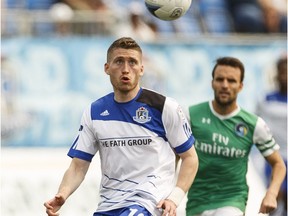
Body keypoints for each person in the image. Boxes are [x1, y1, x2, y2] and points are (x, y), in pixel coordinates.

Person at [44, 37, 199, 216]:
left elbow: (190, 157)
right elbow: (78, 165)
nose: (126, 69)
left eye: (132, 62)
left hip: (150, 203)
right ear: (107, 68)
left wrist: (174, 198)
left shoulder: (164, 107)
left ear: (141, 69)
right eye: (119, 62)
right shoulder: (94, 112)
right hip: (108, 205)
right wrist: (62, 194)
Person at [185, 56, 286, 216]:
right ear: (212, 83)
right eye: (220, 79)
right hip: (197, 201)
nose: (225, 85)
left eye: (231, 80)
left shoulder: (252, 124)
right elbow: (175, 157)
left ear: (240, 86)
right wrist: (173, 193)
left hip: (232, 200)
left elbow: (279, 164)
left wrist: (271, 193)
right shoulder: (191, 116)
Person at [256, 55, 287, 216]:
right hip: (274, 156)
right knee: (275, 195)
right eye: (282, 72)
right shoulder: (266, 99)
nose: (285, 76)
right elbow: (256, 125)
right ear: (276, 74)